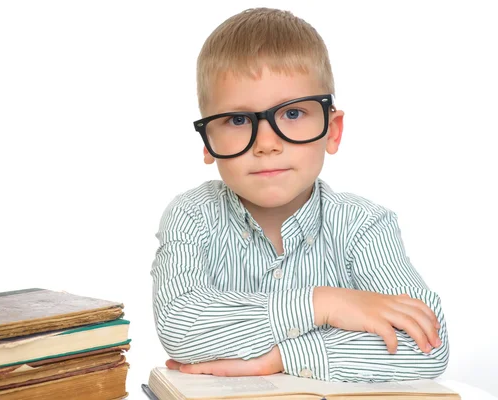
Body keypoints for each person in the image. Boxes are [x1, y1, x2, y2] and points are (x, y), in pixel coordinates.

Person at [150, 7, 448, 382]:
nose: (267, 143)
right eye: (238, 120)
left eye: (292, 114)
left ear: (332, 131)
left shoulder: (365, 225)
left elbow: (425, 346)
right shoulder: (191, 215)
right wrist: (324, 304)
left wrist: (280, 358)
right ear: (208, 141)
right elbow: (181, 324)